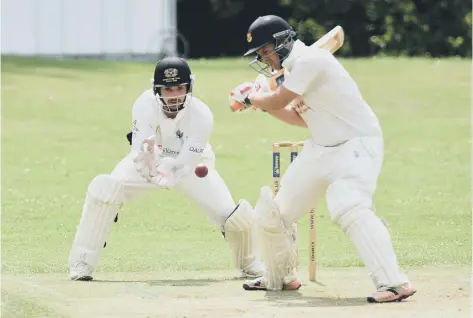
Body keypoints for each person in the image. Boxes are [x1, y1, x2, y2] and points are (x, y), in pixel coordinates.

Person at [229, 15, 417, 303]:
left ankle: (393, 282)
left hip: (357, 143)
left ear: (281, 42)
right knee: (275, 215)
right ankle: (280, 277)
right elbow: (297, 117)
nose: (264, 58)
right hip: (320, 146)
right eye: (260, 54)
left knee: (348, 207)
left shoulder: (311, 61)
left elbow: (278, 100)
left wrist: (252, 98)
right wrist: (260, 104)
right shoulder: (292, 74)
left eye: (265, 51)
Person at [69, 56, 264, 281]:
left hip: (192, 166)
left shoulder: (202, 115)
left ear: (189, 87)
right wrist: (150, 168)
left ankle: (251, 262)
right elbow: (141, 150)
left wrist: (171, 171)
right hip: (151, 162)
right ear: (157, 89)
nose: (174, 95)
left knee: (234, 218)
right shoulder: (144, 104)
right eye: (168, 89)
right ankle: (82, 262)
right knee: (105, 191)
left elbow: (184, 163)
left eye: (180, 88)